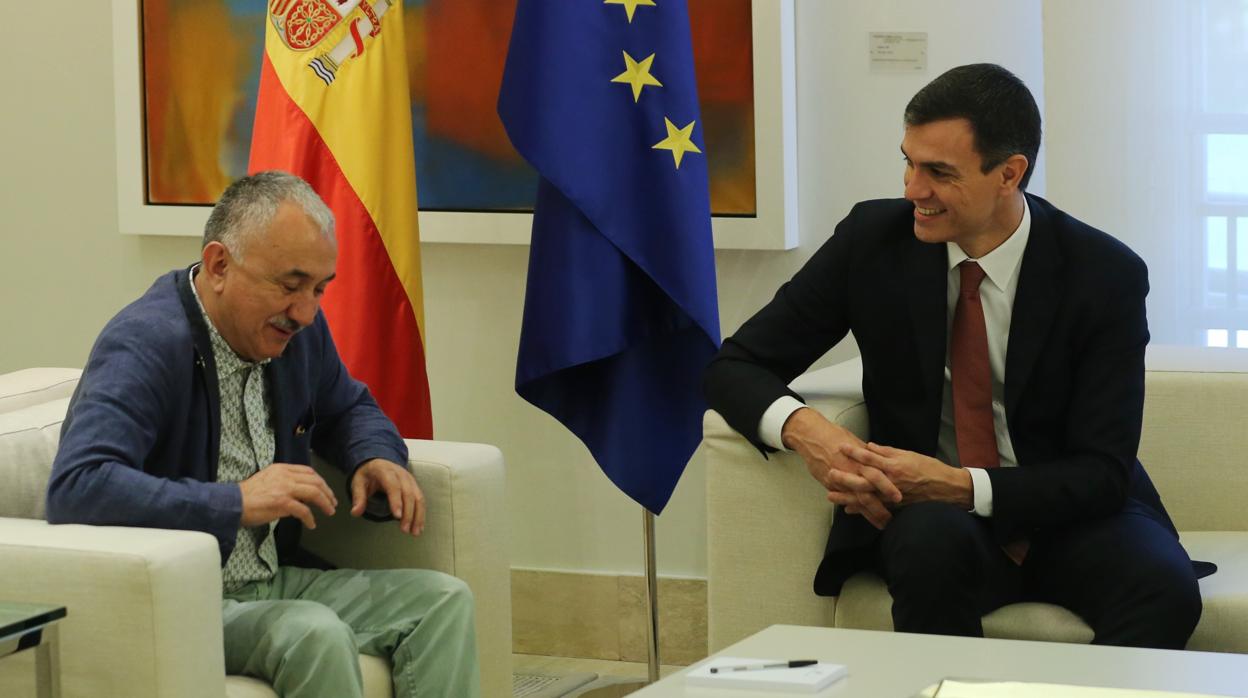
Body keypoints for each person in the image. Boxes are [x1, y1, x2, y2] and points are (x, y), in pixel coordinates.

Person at [703, 64, 1207, 649]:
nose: (913, 190)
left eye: (938, 172)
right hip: (930, 520)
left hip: (1069, 513)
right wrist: (809, 432)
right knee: (927, 546)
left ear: (1009, 174)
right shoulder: (873, 241)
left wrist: (961, 485)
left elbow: (1103, 471)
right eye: (909, 162)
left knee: (1164, 587)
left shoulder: (1103, 274)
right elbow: (732, 365)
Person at [46, 171, 480, 697]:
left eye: (320, 289)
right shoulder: (146, 343)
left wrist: (373, 455)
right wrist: (235, 502)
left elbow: (348, 407)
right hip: (186, 594)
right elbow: (78, 486)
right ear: (219, 265)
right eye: (290, 285)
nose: (306, 312)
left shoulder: (299, 335)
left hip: (275, 579)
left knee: (444, 600)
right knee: (313, 633)